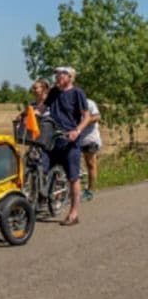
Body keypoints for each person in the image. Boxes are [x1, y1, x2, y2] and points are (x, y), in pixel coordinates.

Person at [44, 66, 91, 226]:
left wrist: (77, 131)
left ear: (70, 77)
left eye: (60, 75)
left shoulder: (77, 93)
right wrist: (30, 114)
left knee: (73, 177)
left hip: (70, 141)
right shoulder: (53, 92)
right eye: (56, 75)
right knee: (39, 167)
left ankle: (73, 213)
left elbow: (87, 116)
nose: (57, 77)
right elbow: (43, 108)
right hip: (52, 139)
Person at [79, 97, 102, 201]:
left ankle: (90, 191)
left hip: (90, 139)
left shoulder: (89, 103)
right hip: (74, 138)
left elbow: (97, 117)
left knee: (90, 164)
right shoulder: (68, 103)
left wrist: (84, 122)